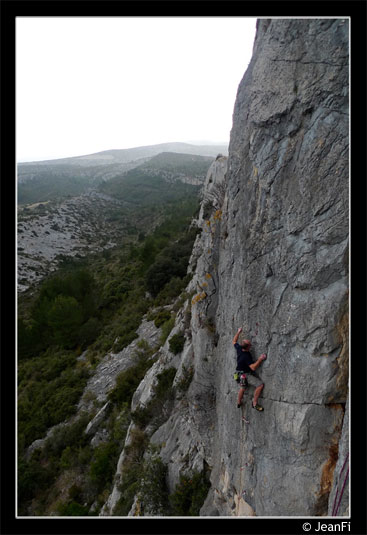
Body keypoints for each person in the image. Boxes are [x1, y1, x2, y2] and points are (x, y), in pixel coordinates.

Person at [232, 327, 267, 411]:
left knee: (243, 388)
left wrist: (238, 332)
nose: (251, 345)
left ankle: (239, 402)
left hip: (238, 374)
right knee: (260, 385)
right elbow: (253, 367)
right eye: (250, 344)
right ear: (248, 347)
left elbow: (234, 341)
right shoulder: (246, 356)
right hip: (245, 375)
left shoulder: (239, 348)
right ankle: (254, 403)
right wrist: (260, 359)